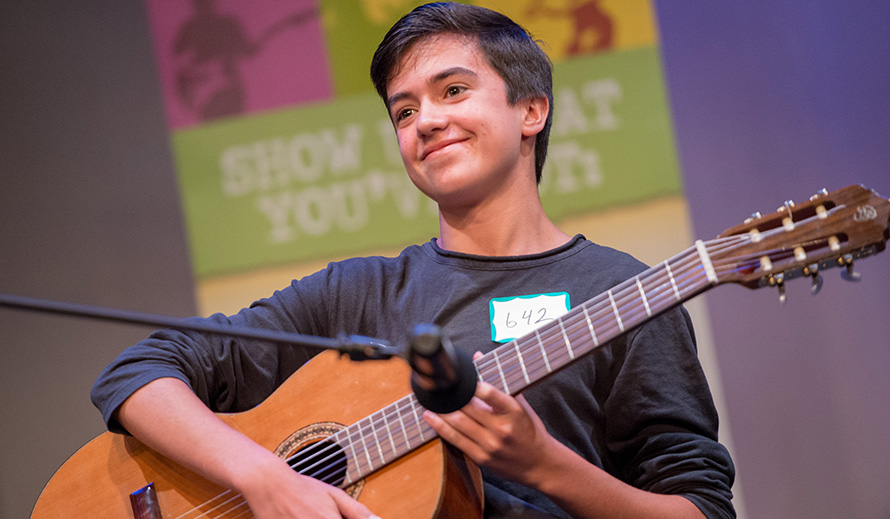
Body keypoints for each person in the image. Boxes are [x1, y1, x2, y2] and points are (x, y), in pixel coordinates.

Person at [91, 3, 735, 518]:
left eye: (453, 90)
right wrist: (264, 478)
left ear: (531, 111)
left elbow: (701, 507)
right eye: (405, 110)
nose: (426, 121)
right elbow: (139, 372)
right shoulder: (359, 293)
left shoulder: (624, 290)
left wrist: (544, 465)